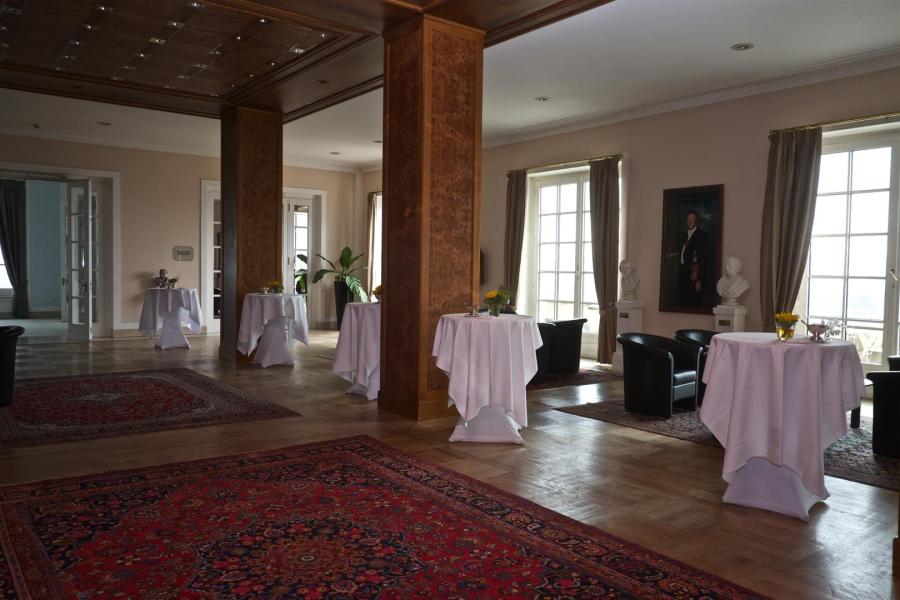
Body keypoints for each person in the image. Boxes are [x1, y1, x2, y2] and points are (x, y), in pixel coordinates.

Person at [678, 211, 709, 307]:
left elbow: (704, 259)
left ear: (696, 221)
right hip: (684, 273)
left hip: (694, 275)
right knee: (683, 303)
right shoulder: (684, 235)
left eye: (692, 219)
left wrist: (700, 280)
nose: (689, 221)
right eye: (688, 219)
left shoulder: (702, 235)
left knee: (693, 303)